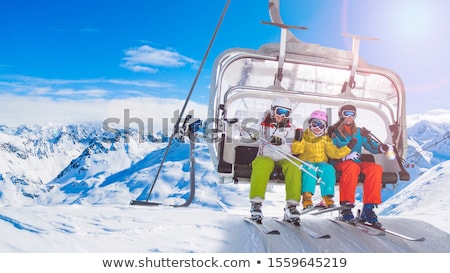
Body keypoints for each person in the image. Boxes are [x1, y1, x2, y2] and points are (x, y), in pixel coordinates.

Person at [328, 103, 390, 227]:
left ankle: (368, 208)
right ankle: (346, 207)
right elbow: (330, 150)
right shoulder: (333, 131)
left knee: (375, 169)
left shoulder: (359, 132)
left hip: (356, 162)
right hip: (340, 162)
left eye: (353, 114)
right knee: (351, 167)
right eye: (347, 113)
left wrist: (382, 148)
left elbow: (371, 146)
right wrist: (345, 156)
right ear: (341, 115)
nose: (349, 117)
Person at [249, 97, 302, 224]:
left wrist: (281, 144)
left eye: (286, 113)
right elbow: (246, 135)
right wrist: (252, 134)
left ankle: (291, 205)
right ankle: (256, 203)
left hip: (283, 157)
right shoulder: (261, 124)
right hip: (266, 156)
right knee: (262, 163)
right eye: (280, 111)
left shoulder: (291, 127)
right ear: (273, 110)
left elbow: (290, 148)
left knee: (295, 165)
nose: (282, 116)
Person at [291, 110, 356, 210]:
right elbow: (296, 151)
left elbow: (333, 153)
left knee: (329, 169)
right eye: (315, 124)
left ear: (325, 127)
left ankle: (327, 197)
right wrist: (298, 140)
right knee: (310, 169)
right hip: (306, 162)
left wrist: (348, 148)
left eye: (320, 126)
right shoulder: (304, 136)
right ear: (310, 124)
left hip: (321, 163)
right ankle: (307, 198)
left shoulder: (326, 139)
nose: (317, 128)